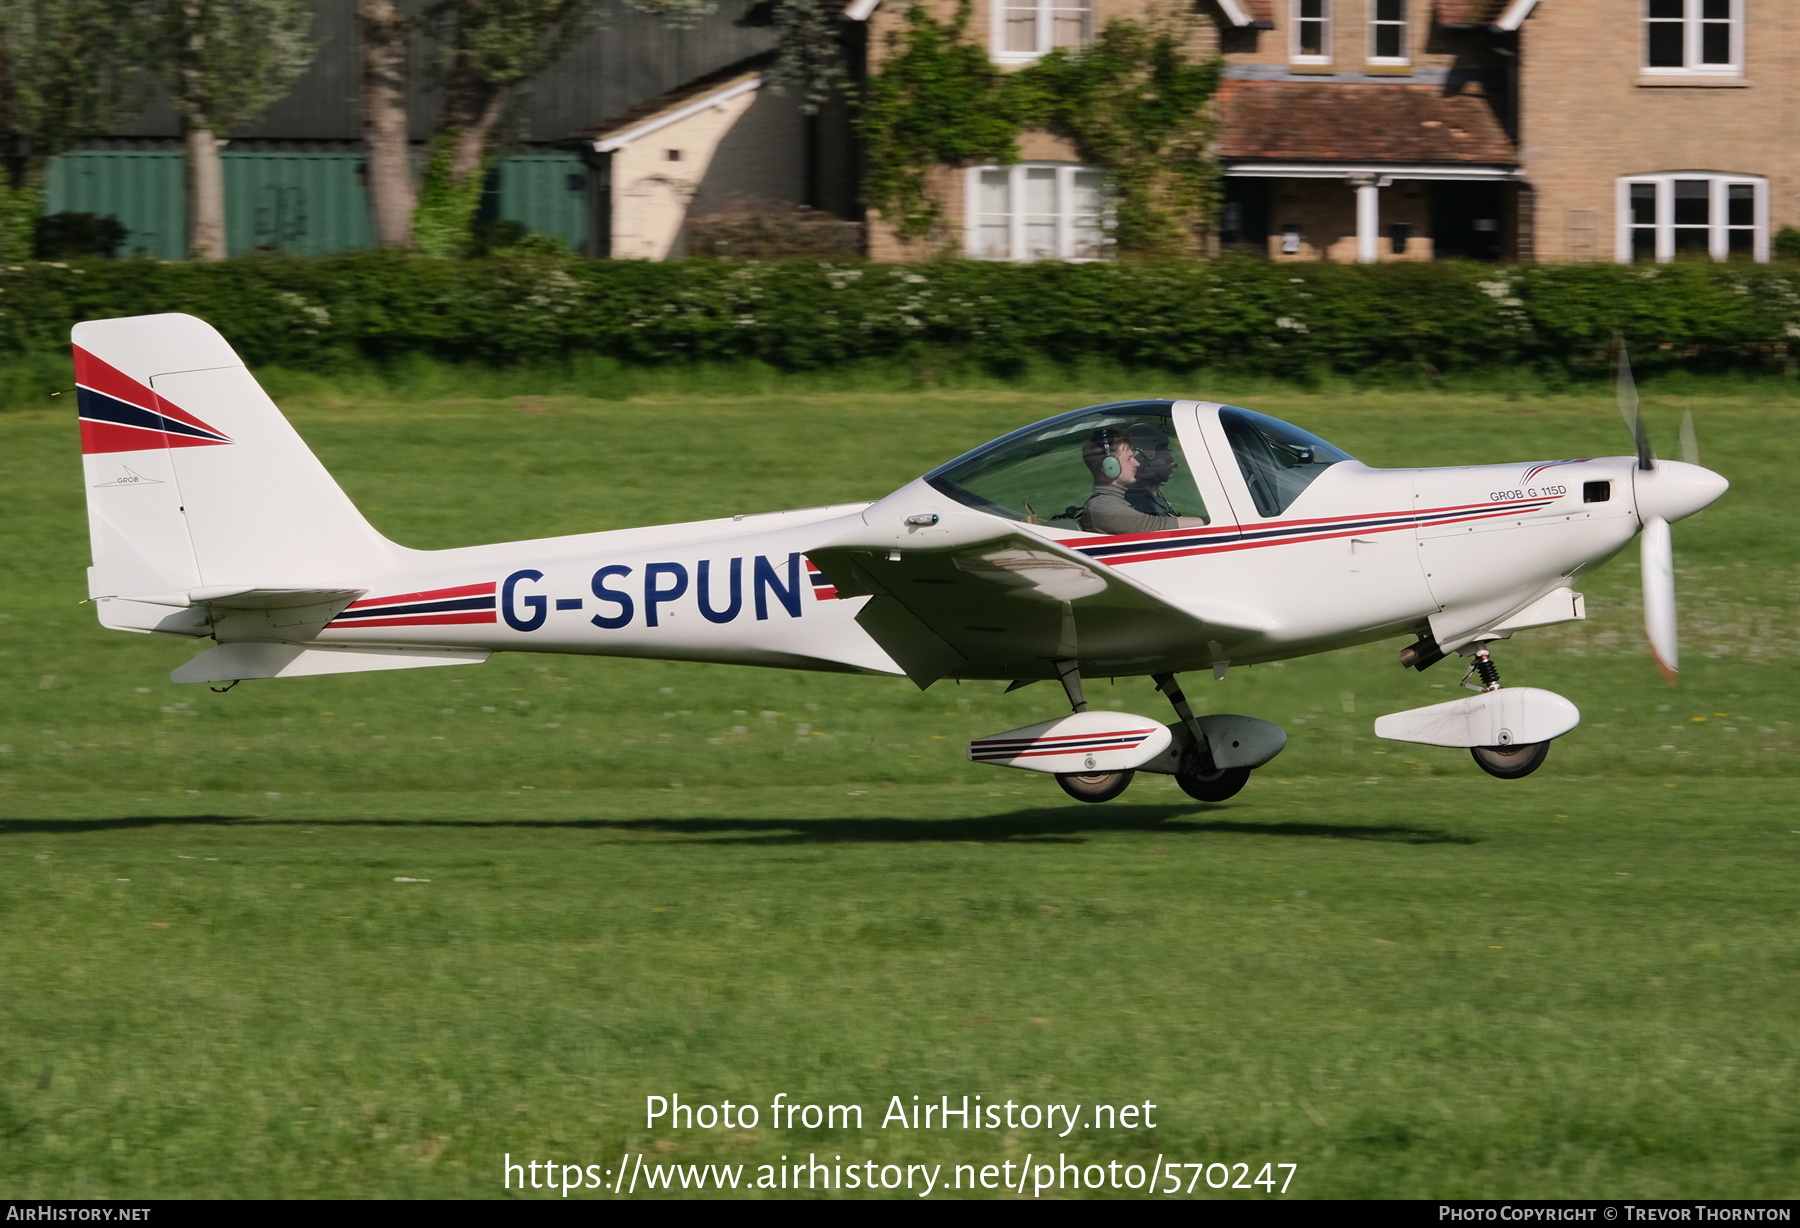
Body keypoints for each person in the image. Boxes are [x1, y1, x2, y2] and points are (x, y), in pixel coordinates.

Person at [1079, 425, 1207, 535]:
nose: (1137, 463)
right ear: (1110, 466)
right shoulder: (1104, 507)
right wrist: (1208, 521)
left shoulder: (1113, 501)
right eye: (1129, 458)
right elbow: (1156, 525)